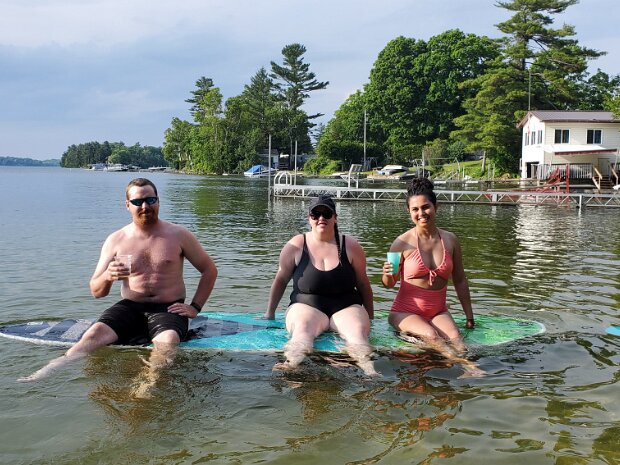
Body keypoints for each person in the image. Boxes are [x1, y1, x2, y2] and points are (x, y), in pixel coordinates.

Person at [20, 178, 218, 386]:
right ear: (127, 205)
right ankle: (49, 370)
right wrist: (108, 276)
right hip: (130, 307)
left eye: (150, 200)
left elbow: (209, 270)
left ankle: (148, 385)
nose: (145, 206)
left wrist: (195, 307)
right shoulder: (116, 240)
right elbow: (96, 291)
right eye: (138, 202)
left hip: (169, 308)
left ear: (158, 201)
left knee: (167, 342)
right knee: (93, 335)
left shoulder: (179, 235)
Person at [263, 195, 377, 376]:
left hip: (346, 306)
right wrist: (269, 313)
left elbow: (363, 284)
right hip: (306, 306)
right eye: (315, 214)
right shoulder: (295, 245)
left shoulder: (351, 246)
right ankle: (291, 364)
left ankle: (369, 370)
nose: (321, 218)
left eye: (326, 214)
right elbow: (281, 280)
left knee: (356, 334)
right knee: (302, 331)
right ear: (309, 218)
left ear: (335, 218)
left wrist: (370, 318)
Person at [381, 178, 482, 376]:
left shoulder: (451, 240)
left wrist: (469, 316)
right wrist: (386, 274)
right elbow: (389, 284)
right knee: (431, 335)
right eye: (415, 209)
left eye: (426, 207)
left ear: (436, 206)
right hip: (405, 312)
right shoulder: (399, 243)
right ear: (409, 212)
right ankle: (469, 367)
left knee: (456, 338)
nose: (421, 213)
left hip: (438, 311)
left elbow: (460, 280)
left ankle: (463, 367)